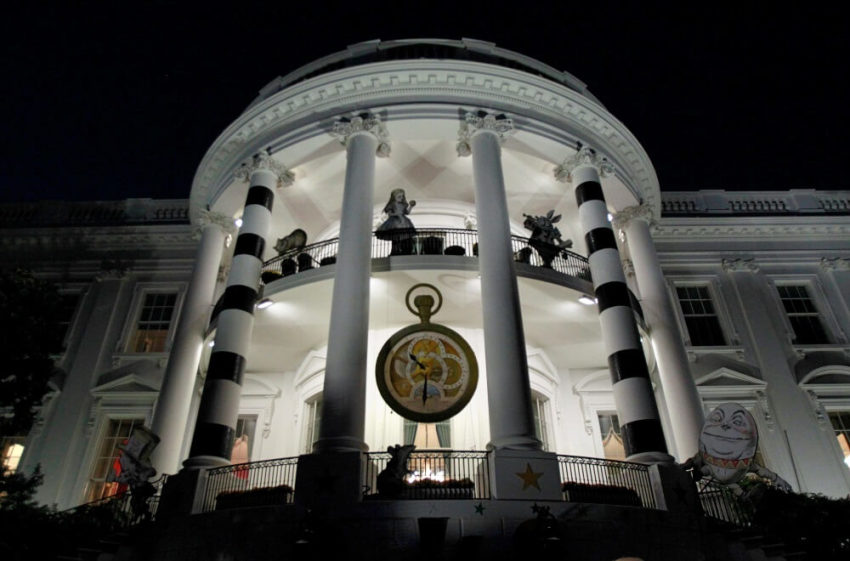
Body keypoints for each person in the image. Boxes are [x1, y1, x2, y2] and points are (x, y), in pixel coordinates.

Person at [376, 189, 416, 254]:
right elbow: (389, 214)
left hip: (404, 221)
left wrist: (411, 206)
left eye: (402, 196)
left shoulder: (403, 205)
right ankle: (395, 251)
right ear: (394, 197)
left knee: (404, 237)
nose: (401, 198)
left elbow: (407, 212)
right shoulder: (391, 204)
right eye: (399, 196)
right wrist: (397, 214)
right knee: (395, 237)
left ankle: (404, 250)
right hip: (395, 222)